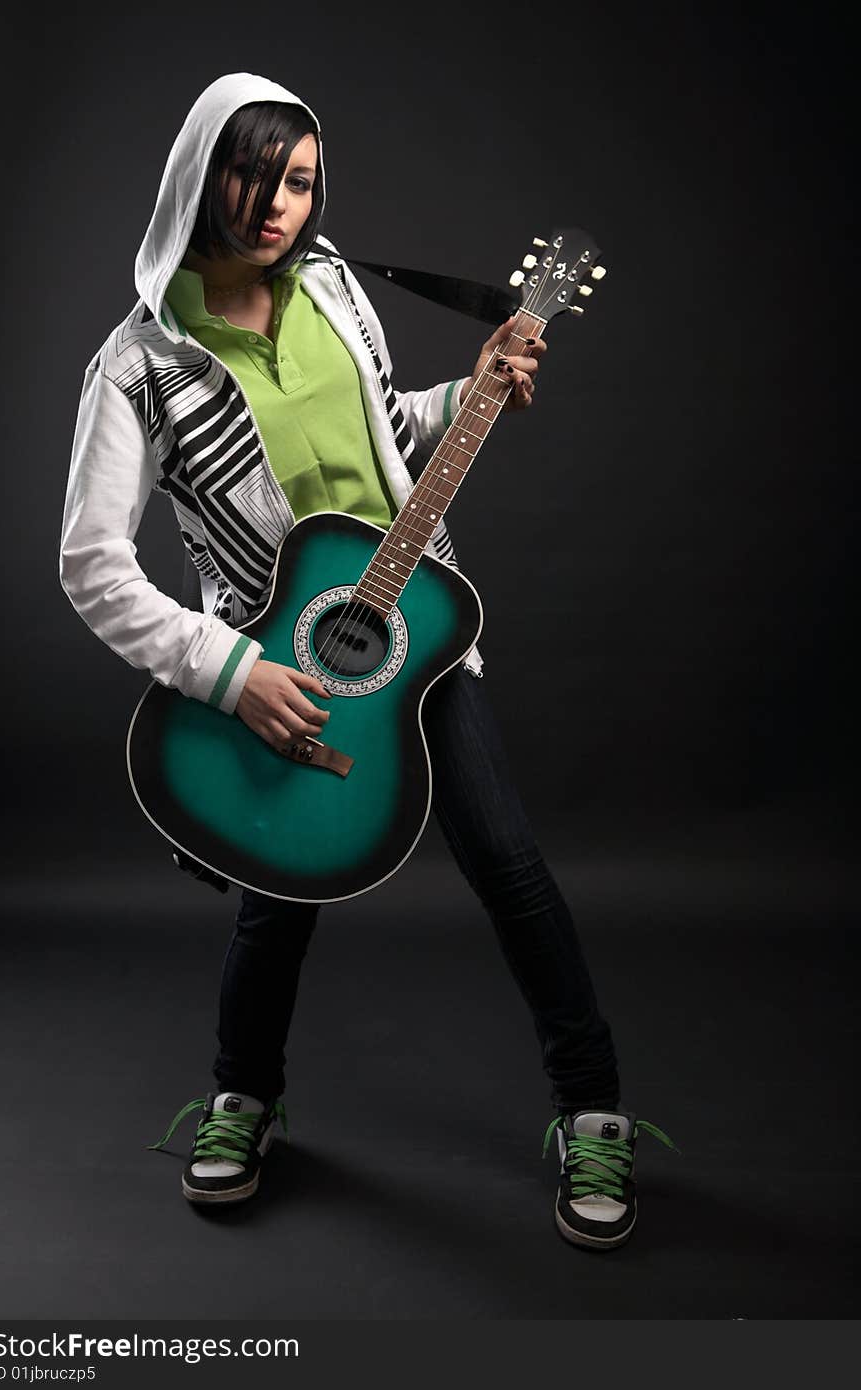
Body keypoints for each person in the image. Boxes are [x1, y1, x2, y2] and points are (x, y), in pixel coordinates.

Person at [59, 71, 676, 1251]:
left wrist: (471, 391)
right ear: (201, 174)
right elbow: (92, 565)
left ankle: (592, 1104)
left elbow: (381, 430)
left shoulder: (335, 284)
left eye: (299, 178)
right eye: (256, 174)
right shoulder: (137, 365)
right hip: (273, 657)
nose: (281, 203)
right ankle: (242, 1096)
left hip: (414, 629)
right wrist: (231, 675)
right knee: (278, 898)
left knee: (506, 858)